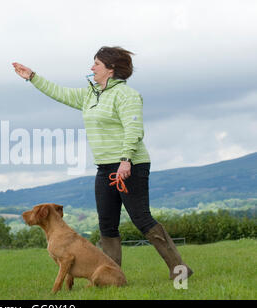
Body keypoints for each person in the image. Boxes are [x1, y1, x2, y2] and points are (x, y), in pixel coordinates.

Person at [12, 46, 193, 280]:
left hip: (130, 166)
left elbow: (134, 129)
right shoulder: (90, 94)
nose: (92, 68)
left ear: (111, 68)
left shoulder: (126, 95)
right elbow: (60, 93)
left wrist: (125, 160)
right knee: (107, 224)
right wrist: (33, 77)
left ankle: (179, 270)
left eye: (96, 63)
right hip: (105, 168)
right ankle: (113, 277)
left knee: (142, 219)